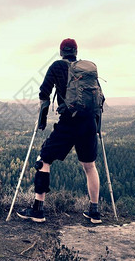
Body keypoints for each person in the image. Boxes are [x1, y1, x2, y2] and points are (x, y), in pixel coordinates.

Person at [17, 38, 103, 223]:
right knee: (90, 166)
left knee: (44, 159)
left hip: (69, 122)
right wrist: (97, 126)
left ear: (61, 51)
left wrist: (42, 119)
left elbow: (44, 93)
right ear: (76, 51)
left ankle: (38, 210)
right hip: (89, 122)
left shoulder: (57, 66)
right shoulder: (88, 70)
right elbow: (99, 99)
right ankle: (94, 212)